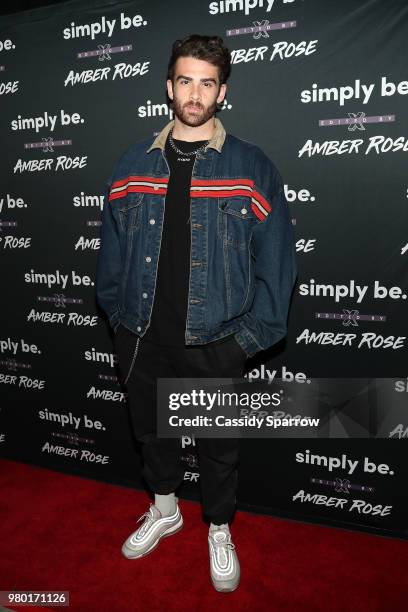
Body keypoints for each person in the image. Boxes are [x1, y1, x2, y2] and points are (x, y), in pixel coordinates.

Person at [96, 34, 297, 593]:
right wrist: (116, 320)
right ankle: (165, 509)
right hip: (142, 335)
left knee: (218, 448)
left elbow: (277, 265)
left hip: (216, 339)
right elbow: (111, 254)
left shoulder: (250, 165)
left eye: (207, 82)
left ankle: (218, 526)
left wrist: (244, 342)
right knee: (152, 437)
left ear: (222, 92)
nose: (194, 92)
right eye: (185, 80)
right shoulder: (132, 162)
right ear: (169, 86)